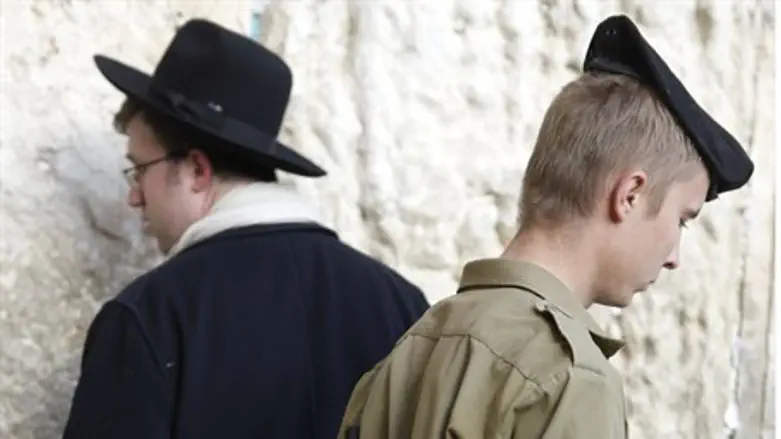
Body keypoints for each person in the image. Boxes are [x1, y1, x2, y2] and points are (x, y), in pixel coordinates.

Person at [337, 14, 754, 439]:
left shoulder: (417, 344)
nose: (673, 258)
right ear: (630, 194)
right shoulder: (570, 377)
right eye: (682, 220)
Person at [62, 18, 430, 439]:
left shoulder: (153, 314)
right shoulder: (401, 302)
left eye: (139, 170)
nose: (134, 197)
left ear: (197, 170)